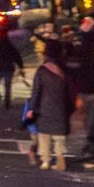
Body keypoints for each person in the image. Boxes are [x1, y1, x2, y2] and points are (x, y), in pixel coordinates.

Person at [65, 14, 94, 156]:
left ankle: (86, 142)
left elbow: (74, 69)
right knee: (92, 118)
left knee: (86, 117)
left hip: (85, 90)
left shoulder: (79, 50)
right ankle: (89, 143)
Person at [25, 41, 73, 170]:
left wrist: (32, 109)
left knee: (44, 136)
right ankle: (60, 157)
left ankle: (45, 160)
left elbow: (36, 91)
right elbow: (70, 91)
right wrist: (70, 107)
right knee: (59, 136)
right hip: (61, 106)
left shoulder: (42, 70)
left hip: (44, 107)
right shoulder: (65, 70)